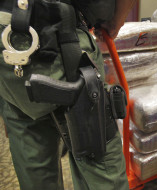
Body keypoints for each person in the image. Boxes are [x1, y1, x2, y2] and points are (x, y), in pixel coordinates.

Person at [0, 0, 136, 189]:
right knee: (100, 166)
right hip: (63, 40)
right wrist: (115, 21)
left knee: (33, 157)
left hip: (8, 44)